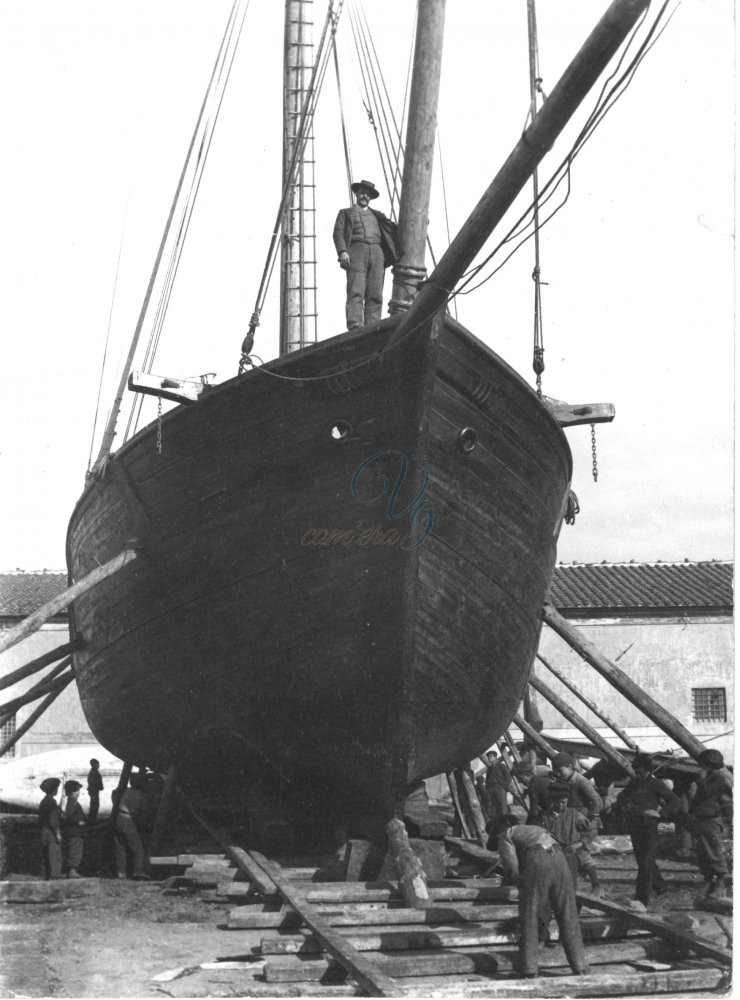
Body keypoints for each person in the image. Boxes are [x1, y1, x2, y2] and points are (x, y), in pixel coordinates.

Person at [494, 814, 589, 978]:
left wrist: (520, 885)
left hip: (538, 859)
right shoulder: (538, 829)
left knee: (529, 915)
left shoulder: (506, 834)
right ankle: (580, 966)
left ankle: (529, 969)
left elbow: (511, 867)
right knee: (568, 914)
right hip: (559, 858)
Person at [332, 179, 400, 330]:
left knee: (375, 292)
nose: (365, 197)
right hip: (356, 252)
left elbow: (393, 229)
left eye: (368, 195)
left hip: (377, 253)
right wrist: (343, 252)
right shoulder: (345, 213)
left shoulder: (377, 216)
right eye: (362, 193)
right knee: (356, 290)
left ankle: (373, 325)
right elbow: (338, 234)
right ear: (356, 194)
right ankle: (355, 324)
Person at [616, 753, 678, 907]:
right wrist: (622, 804)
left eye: (642, 772)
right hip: (635, 827)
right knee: (643, 861)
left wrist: (661, 813)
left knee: (645, 863)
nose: (639, 774)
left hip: (650, 827)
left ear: (648, 771)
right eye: (637, 771)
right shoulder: (634, 783)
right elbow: (623, 796)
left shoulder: (656, 784)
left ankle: (641, 899)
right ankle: (661, 887)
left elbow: (674, 800)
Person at [551, 752, 603, 894]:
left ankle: (596, 886)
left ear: (570, 767)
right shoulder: (563, 781)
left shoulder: (580, 781)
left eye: (560, 770)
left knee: (581, 851)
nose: (557, 773)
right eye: (555, 770)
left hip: (581, 819)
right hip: (567, 818)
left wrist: (593, 816)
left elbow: (597, 800)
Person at [690, 749, 732, 898]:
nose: (702, 766)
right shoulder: (707, 776)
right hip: (700, 818)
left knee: (714, 852)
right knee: (703, 852)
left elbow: (707, 793)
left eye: (705, 764)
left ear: (711, 764)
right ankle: (708, 881)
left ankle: (720, 883)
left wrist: (701, 779)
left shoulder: (718, 777)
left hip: (711, 819)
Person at [540, 782, 592, 889]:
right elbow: (538, 836)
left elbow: (591, 830)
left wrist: (580, 843)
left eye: (563, 802)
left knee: (569, 881)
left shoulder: (575, 814)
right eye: (556, 802)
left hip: (570, 852)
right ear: (551, 800)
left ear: (567, 800)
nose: (560, 805)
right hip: (550, 852)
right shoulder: (544, 816)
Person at [111, 774, 150, 880]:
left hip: (118, 818)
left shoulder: (127, 791)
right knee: (138, 848)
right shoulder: (141, 796)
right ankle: (138, 871)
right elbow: (143, 814)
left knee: (121, 847)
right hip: (127, 820)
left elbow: (114, 795)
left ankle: (121, 872)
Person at [38, 777, 63, 880]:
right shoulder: (51, 802)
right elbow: (53, 819)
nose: (57, 790)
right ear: (53, 790)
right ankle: (54, 876)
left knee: (47, 854)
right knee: (54, 854)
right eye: (56, 788)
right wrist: (57, 833)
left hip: (44, 831)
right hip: (51, 832)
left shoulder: (44, 802)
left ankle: (47, 875)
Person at [62, 779, 87, 878]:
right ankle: (72, 871)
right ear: (73, 792)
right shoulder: (72, 801)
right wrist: (78, 822)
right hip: (75, 832)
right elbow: (69, 815)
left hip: (73, 831)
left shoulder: (71, 801)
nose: (79, 792)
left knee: (72, 850)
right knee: (75, 851)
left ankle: (71, 871)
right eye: (77, 790)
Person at [87, 758, 104, 824]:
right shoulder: (94, 773)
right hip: (94, 791)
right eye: (97, 764)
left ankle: (92, 819)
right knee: (94, 805)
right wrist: (100, 787)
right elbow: (94, 783)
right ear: (94, 765)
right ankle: (92, 820)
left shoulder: (93, 772)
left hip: (94, 791)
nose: (99, 766)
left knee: (94, 805)